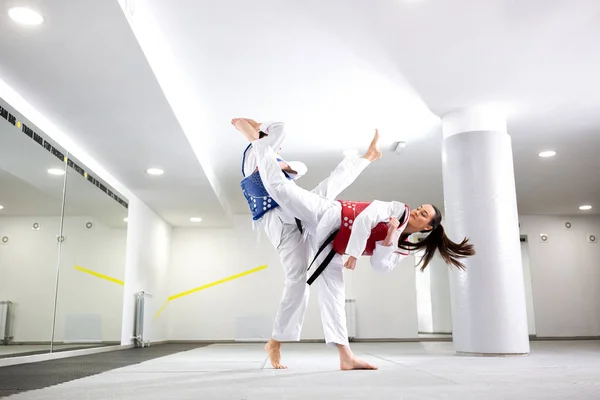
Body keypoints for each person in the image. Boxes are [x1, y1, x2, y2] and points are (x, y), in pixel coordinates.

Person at [246, 130, 476, 368]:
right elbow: (366, 217)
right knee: (286, 191)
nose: (417, 212)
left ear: (427, 227)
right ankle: (258, 142)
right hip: (332, 216)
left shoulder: (403, 245)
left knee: (334, 293)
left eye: (423, 214)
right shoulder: (399, 210)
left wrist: (389, 239)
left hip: (331, 240)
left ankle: (346, 357)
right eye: (420, 208)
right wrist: (354, 253)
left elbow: (380, 266)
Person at [233, 118, 381, 370]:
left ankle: (368, 157)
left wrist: (285, 163)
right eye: (273, 145)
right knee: (298, 279)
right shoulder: (253, 154)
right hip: (279, 221)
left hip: (296, 205)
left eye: (276, 148)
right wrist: (253, 127)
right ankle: (276, 341)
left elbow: (298, 167)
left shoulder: (271, 156)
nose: (277, 149)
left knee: (330, 186)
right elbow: (278, 129)